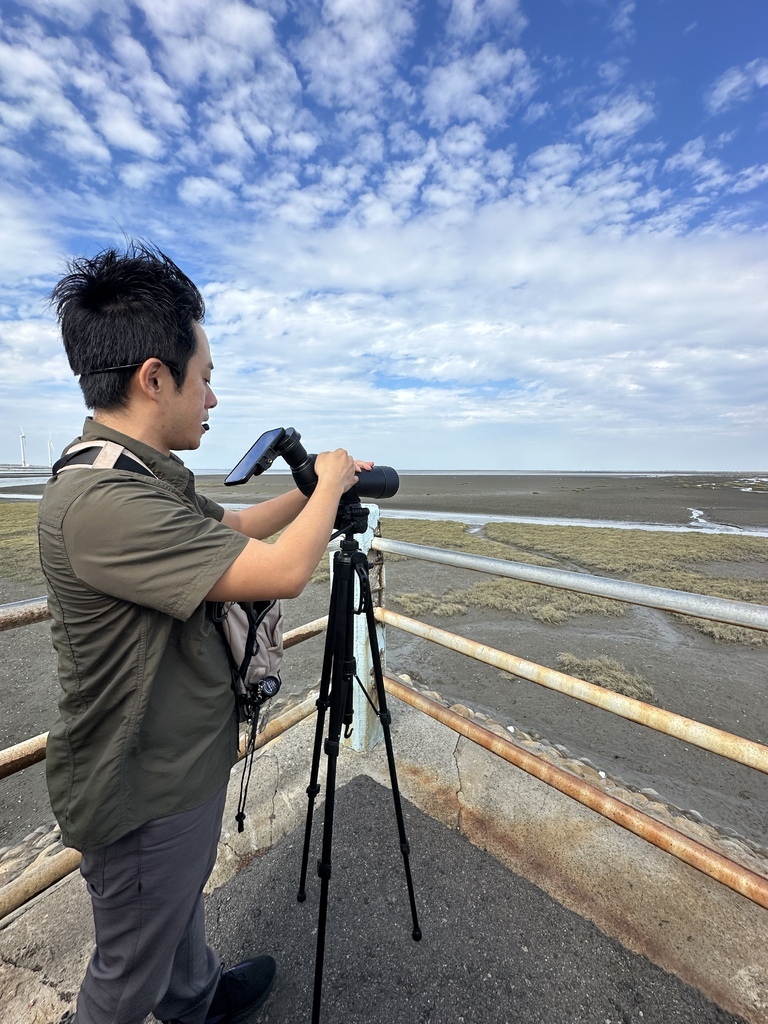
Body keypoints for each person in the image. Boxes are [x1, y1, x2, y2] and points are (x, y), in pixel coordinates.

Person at [39, 242, 368, 1024]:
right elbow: (285, 570)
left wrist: (307, 495)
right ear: (155, 377)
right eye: (206, 377)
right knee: (122, 982)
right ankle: (179, 997)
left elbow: (245, 526)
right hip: (140, 788)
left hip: (175, 768)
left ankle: (198, 999)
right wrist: (332, 483)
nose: (213, 398)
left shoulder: (134, 475)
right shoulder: (105, 504)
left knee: (174, 908)